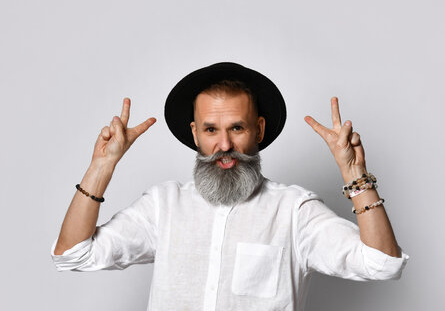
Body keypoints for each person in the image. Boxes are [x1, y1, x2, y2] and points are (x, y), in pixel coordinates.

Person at [51, 62, 408, 311]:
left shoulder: (294, 212)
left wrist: (354, 173)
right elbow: (73, 254)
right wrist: (102, 166)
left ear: (260, 130)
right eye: (211, 130)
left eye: (237, 128)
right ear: (195, 134)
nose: (224, 145)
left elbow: (382, 264)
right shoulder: (163, 206)